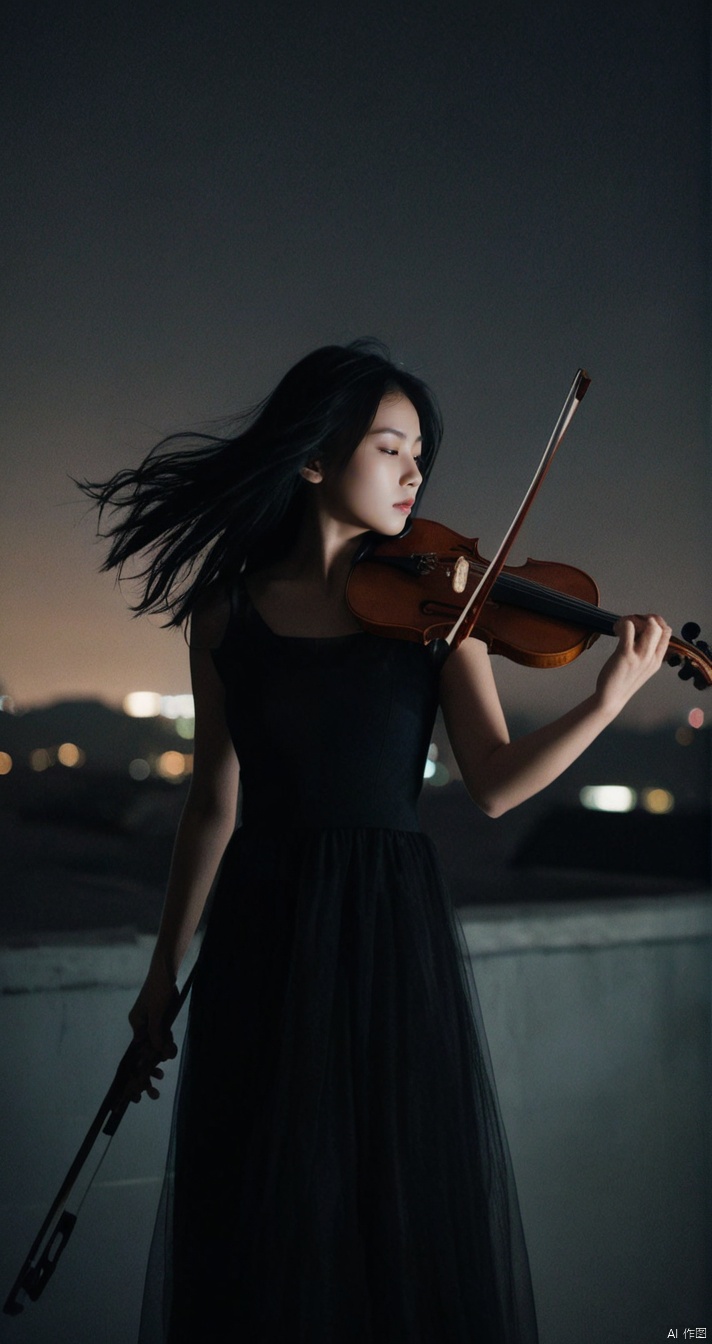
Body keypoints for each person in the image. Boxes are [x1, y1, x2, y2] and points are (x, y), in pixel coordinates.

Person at [80, 340, 670, 1343]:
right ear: (313, 457)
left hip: (389, 934)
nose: (413, 471)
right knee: (261, 1219)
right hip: (259, 930)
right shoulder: (225, 611)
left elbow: (491, 785)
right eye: (389, 447)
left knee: (384, 1216)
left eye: (418, 455)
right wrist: (158, 978)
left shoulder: (443, 617)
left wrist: (607, 698)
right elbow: (212, 803)